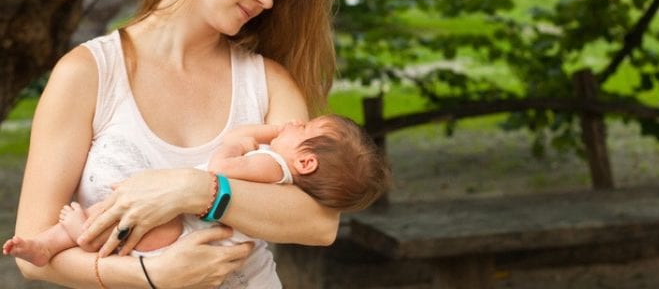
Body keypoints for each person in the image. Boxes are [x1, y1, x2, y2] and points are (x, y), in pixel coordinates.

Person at [11, 0, 347, 287]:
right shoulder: (88, 74)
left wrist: (196, 189)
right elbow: (32, 254)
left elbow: (320, 222)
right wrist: (152, 275)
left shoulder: (268, 83)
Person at [4, 115, 391, 279]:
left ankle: (80, 235)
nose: (294, 122)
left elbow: (222, 171)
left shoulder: (271, 166)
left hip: (187, 228)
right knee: (121, 214)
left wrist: (237, 143)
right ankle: (48, 242)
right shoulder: (285, 175)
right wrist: (276, 130)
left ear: (305, 162)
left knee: (127, 224)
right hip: (193, 228)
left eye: (304, 126)